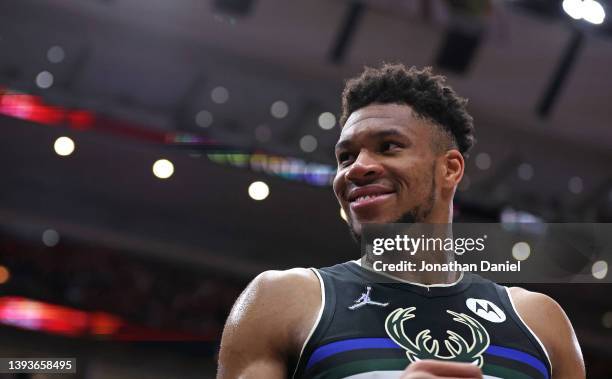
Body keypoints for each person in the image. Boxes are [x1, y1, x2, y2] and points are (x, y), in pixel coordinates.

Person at [217, 64, 585, 379]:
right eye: (346, 157)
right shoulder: (283, 299)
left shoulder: (539, 322)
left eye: (388, 146)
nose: (357, 168)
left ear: (450, 169)